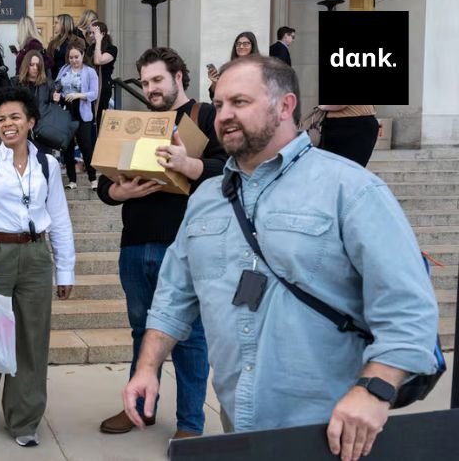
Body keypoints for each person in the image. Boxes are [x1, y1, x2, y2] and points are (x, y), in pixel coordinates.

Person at [122, 56, 440, 461]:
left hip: (334, 432)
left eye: (240, 102)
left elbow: (408, 308)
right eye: (219, 105)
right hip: (238, 422)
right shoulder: (205, 199)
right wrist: (147, 367)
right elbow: (172, 296)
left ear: (285, 106)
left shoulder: (352, 189)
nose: (225, 116)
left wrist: (374, 390)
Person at [96, 46, 224, 440]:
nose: (151, 88)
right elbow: (104, 185)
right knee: (140, 330)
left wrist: (189, 165)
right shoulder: (137, 123)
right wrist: (121, 193)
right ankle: (139, 408)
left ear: (178, 78)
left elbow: (229, 170)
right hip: (134, 243)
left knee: (189, 337)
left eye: (157, 80)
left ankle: (190, 424)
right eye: (146, 81)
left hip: (184, 247)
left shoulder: (206, 117)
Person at [0, 86, 75, 447]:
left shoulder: (48, 164)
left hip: (36, 257)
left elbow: (58, 217)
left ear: (30, 122)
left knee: (31, 340)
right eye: (1, 119)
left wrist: (66, 269)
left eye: (14, 117)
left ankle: (24, 417)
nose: (7, 124)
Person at [54, 39, 99, 189]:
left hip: (82, 110)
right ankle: (72, 180)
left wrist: (79, 95)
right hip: (66, 110)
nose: (73, 61)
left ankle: (93, 179)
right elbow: (57, 86)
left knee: (86, 146)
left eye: (76, 57)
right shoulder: (64, 69)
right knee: (67, 146)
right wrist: (56, 94)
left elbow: (94, 93)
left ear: (82, 55)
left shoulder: (89, 71)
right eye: (71, 57)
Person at [208, 31, 260, 99]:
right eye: (238, 44)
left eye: (246, 44)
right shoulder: (227, 68)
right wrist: (214, 82)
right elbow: (214, 96)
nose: (241, 46)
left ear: (252, 46)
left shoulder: (260, 68)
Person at [87, 21, 118, 124]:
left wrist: (98, 41)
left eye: (93, 33)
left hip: (103, 85)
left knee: (100, 115)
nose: (91, 36)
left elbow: (98, 60)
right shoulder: (90, 48)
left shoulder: (112, 49)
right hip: (91, 85)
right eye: (89, 33)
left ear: (102, 34)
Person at [46, 14, 76, 79]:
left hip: (72, 77)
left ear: (63, 25)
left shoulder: (76, 41)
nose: (53, 25)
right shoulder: (53, 43)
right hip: (55, 77)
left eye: (56, 23)